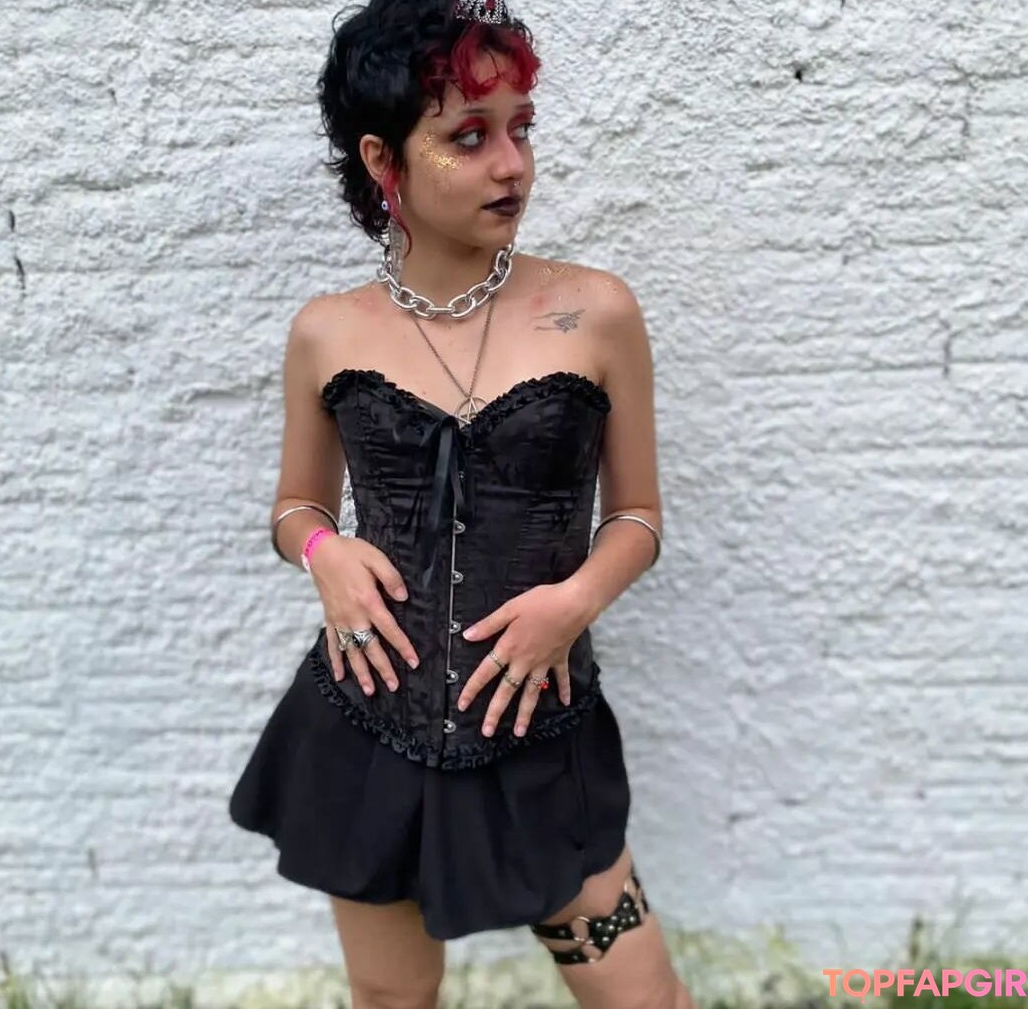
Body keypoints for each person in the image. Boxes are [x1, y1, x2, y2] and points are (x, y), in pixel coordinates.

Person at [229, 1, 695, 1007]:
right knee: (392, 1000)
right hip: (368, 729)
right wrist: (323, 553)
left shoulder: (595, 312)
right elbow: (296, 504)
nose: (511, 165)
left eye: (522, 127)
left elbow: (638, 517)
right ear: (382, 158)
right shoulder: (326, 332)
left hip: (541, 731)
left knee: (645, 997)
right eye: (469, 137)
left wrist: (575, 602)